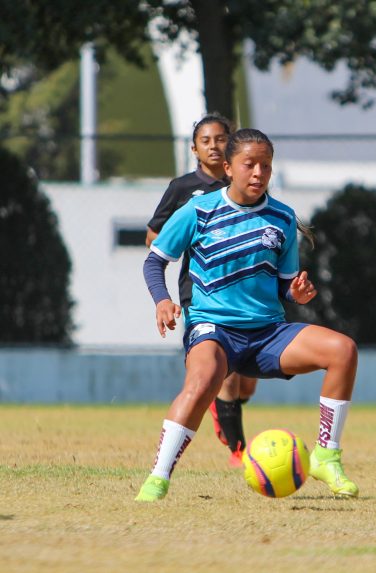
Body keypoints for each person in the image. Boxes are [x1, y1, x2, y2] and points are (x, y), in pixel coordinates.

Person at [135, 128, 360, 501]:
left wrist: (295, 292)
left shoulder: (283, 218)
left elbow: (285, 283)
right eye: (249, 164)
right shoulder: (198, 210)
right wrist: (162, 300)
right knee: (202, 381)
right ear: (228, 167)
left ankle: (326, 456)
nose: (258, 173)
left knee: (343, 350)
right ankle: (158, 478)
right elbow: (155, 260)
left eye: (266, 166)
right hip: (215, 329)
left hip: (268, 332)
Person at [145, 113, 257, 468]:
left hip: (247, 295)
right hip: (200, 294)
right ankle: (237, 449)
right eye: (206, 141)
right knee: (226, 374)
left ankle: (224, 411)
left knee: (246, 384)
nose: (213, 145)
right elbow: (155, 238)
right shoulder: (182, 189)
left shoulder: (245, 184)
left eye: (220, 139)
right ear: (194, 149)